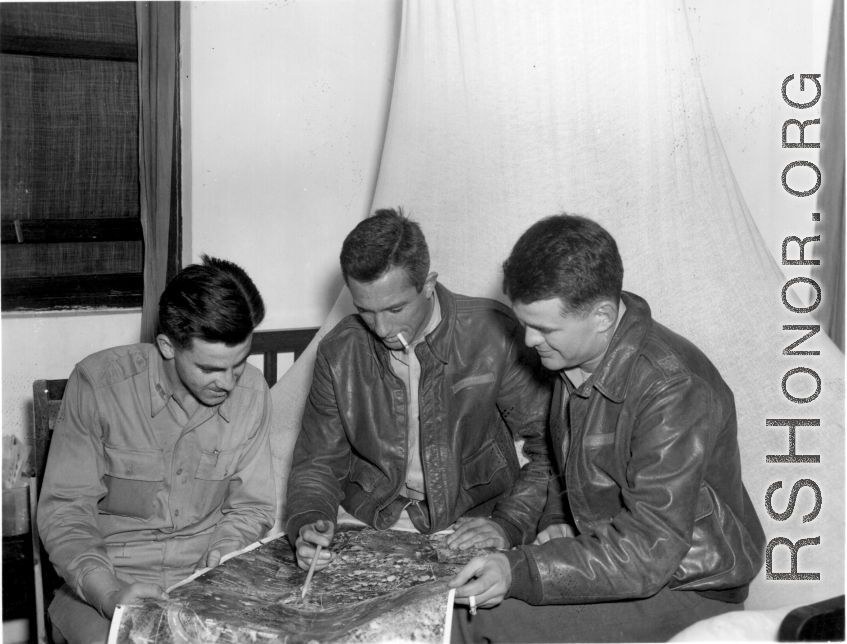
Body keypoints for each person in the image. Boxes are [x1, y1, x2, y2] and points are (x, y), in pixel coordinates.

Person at [449, 214, 766, 643]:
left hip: (690, 583)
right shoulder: (576, 356)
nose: (527, 341)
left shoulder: (672, 387)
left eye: (543, 327)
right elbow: (575, 469)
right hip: (628, 565)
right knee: (456, 603)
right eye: (525, 324)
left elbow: (650, 548)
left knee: (474, 619)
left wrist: (520, 568)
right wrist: (557, 520)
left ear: (601, 315)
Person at [286, 208, 553, 572]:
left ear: (428, 284)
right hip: (369, 516)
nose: (381, 327)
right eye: (365, 310)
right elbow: (317, 463)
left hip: (473, 518)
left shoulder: (494, 333)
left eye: (395, 308)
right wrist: (309, 523)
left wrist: (509, 523)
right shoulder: (338, 352)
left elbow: (552, 446)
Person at [37, 256, 276, 644]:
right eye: (211, 369)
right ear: (167, 346)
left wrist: (224, 555)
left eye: (239, 364)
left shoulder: (251, 393)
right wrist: (111, 594)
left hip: (207, 583)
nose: (230, 383)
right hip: (105, 587)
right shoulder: (98, 386)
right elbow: (65, 514)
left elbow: (252, 507)